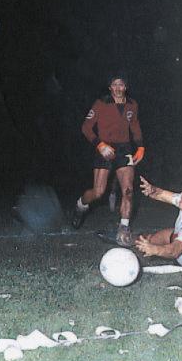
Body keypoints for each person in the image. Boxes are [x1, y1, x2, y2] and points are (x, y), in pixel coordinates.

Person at [71, 73, 144, 247]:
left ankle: (123, 229)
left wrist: (140, 146)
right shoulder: (101, 103)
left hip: (125, 149)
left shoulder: (132, 105)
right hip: (104, 148)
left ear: (125, 87)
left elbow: (134, 126)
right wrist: (100, 145)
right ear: (110, 87)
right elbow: (86, 127)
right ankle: (80, 206)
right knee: (98, 192)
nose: (118, 88)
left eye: (121, 85)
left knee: (128, 190)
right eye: (114, 85)